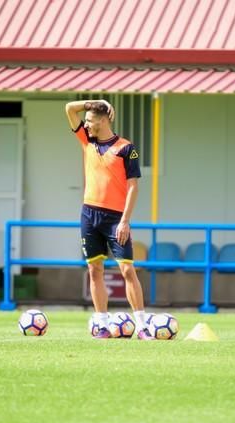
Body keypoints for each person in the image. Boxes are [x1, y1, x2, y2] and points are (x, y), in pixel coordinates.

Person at [65, 99, 154, 340]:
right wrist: (96, 102)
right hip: (89, 215)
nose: (87, 124)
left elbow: (133, 187)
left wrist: (125, 220)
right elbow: (69, 109)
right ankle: (102, 325)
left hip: (116, 219)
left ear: (104, 121)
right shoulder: (87, 141)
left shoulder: (127, 148)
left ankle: (143, 327)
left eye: (91, 121)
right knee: (94, 270)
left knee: (127, 270)